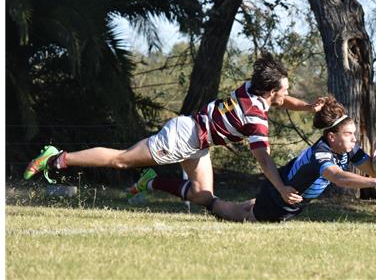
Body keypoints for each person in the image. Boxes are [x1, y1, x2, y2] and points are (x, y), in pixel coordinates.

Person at [24, 51, 324, 210]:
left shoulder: (250, 89)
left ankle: (151, 183)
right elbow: (265, 161)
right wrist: (281, 188)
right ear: (271, 90)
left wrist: (309, 107)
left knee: (202, 197)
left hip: (196, 142)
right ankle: (58, 158)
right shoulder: (255, 118)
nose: (287, 93)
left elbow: (283, 102)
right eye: (284, 88)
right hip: (182, 137)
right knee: (121, 159)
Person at [130, 96, 376, 222]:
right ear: (331, 136)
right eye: (349, 134)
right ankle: (168, 188)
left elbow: (367, 164)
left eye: (355, 135)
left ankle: (157, 183)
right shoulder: (323, 154)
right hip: (280, 200)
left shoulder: (347, 148)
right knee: (236, 213)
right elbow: (339, 177)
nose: (355, 139)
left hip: (282, 187)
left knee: (244, 205)